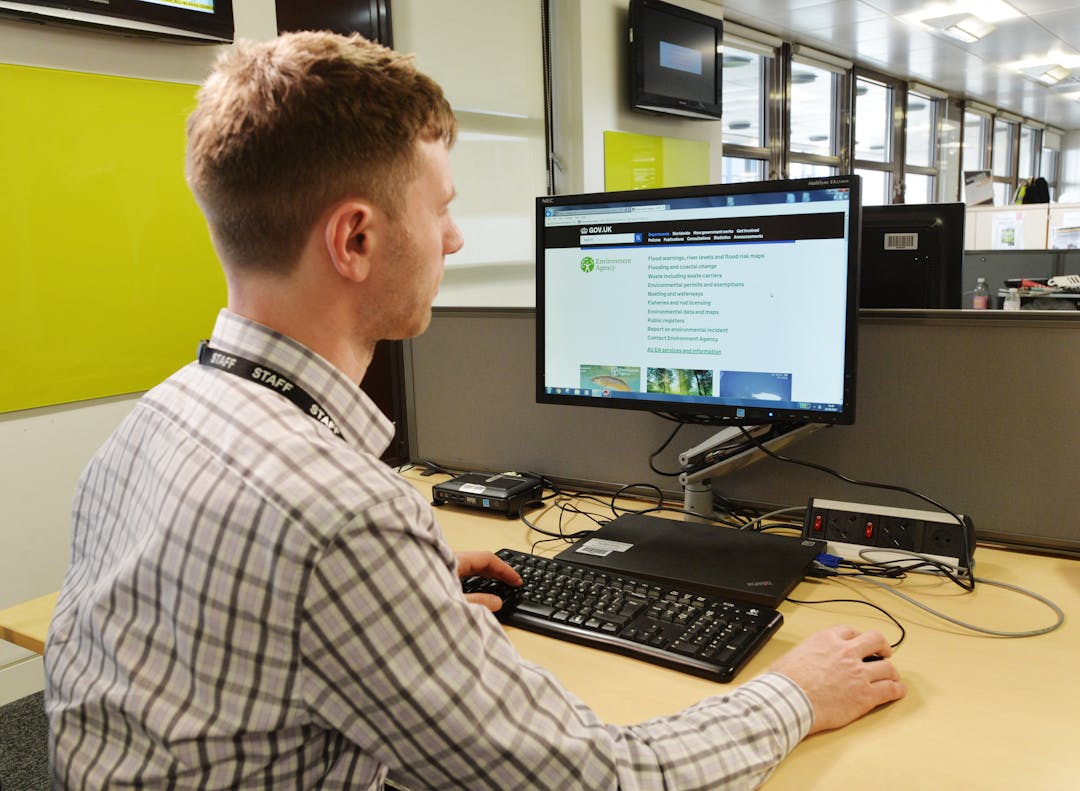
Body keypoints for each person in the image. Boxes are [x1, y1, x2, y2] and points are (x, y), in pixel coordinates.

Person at [44, 31, 905, 790]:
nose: (453, 239)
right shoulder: (338, 517)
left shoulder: (158, 417)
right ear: (356, 239)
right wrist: (796, 693)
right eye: (441, 208)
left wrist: (402, 590)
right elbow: (600, 778)